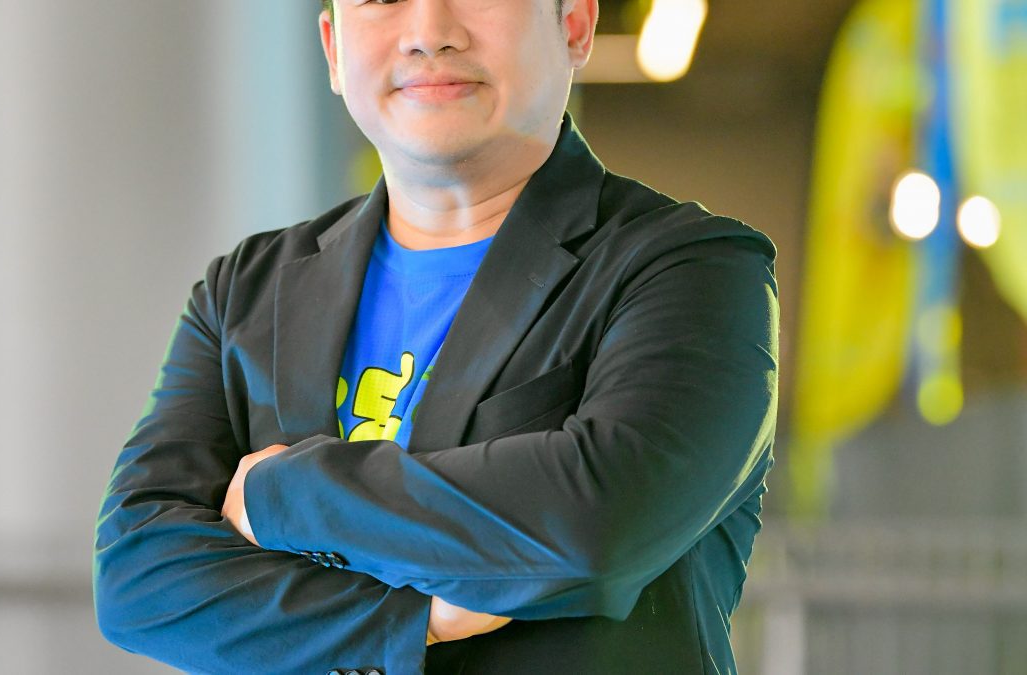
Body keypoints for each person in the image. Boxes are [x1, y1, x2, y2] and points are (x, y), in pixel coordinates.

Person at [93, 0, 779, 673]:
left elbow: (599, 524)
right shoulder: (247, 287)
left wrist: (282, 493)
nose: (429, 32)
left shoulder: (694, 268)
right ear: (333, 51)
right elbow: (138, 578)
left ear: (574, 25)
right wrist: (413, 619)